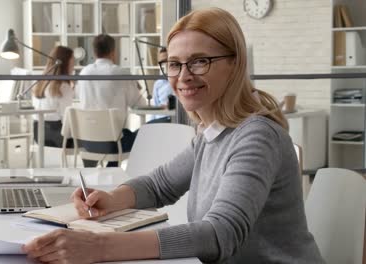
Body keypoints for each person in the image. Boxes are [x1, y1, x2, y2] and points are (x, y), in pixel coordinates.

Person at [23, 8, 325, 264]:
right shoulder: (213, 131)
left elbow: (220, 233)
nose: (182, 76)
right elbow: (160, 184)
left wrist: (99, 247)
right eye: (174, 64)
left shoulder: (257, 136)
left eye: (199, 61)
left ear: (235, 64)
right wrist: (112, 199)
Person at [76, 34, 146, 167]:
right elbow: (140, 104)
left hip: (87, 142)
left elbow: (79, 97)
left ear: (94, 52)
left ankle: (94, 173)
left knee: (111, 135)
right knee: (146, 133)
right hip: (114, 144)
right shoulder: (120, 73)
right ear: (113, 51)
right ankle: (113, 171)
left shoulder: (84, 73)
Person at [32, 45, 75, 148]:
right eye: (72, 61)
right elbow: (66, 118)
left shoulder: (40, 83)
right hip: (59, 138)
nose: (74, 65)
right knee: (91, 143)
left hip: (39, 135)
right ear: (65, 63)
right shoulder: (63, 86)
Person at [149, 47, 174, 123]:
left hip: (172, 119)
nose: (164, 65)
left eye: (166, 61)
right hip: (159, 119)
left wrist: (171, 106)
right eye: (161, 62)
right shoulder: (158, 83)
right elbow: (155, 106)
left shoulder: (178, 81)